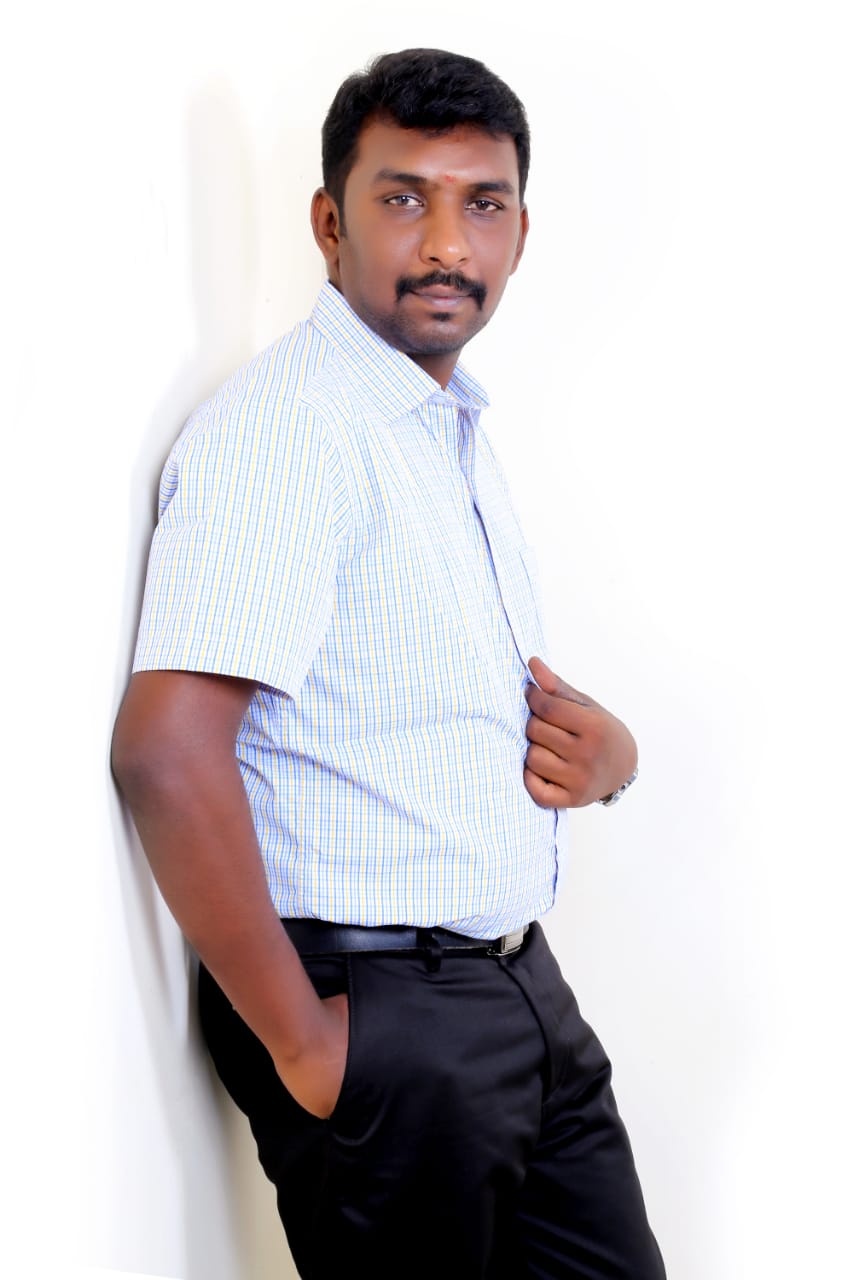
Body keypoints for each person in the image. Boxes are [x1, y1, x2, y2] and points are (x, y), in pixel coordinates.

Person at [112, 48, 665, 1280]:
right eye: (403, 197)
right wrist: (307, 1044)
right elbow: (167, 752)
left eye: (483, 203)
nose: (447, 244)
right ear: (330, 221)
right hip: (384, 1016)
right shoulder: (293, 430)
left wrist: (608, 760)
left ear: (521, 231)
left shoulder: (437, 426)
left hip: (516, 989)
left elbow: (419, 695)